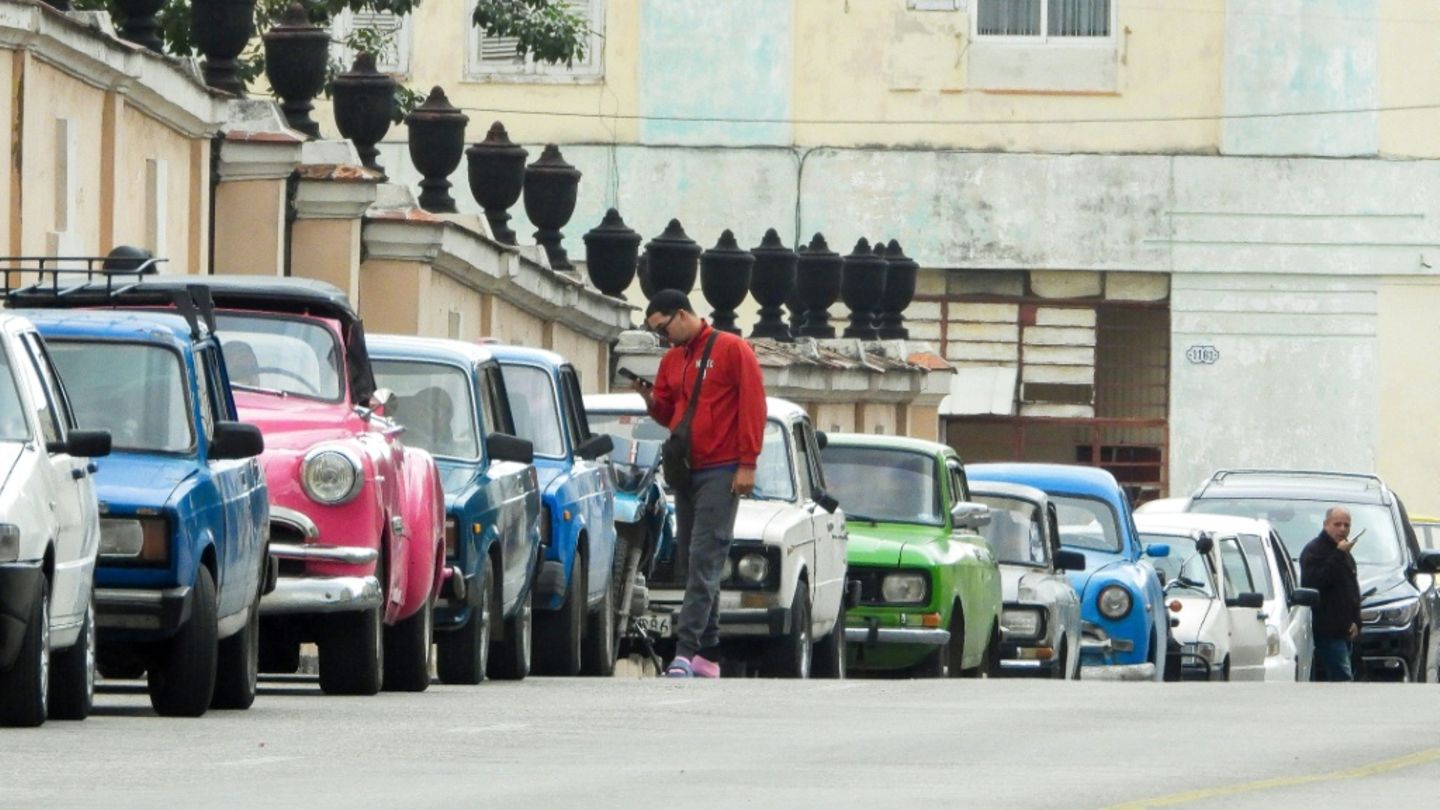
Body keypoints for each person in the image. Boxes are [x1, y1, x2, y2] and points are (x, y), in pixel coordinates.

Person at [635, 289, 766, 679]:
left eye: (663, 329)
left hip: (723, 468)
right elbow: (672, 413)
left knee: (705, 558)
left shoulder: (732, 349)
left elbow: (752, 405)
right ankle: (709, 654)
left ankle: (685, 650)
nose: (664, 339)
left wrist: (748, 462)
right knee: (692, 558)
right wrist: (650, 402)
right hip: (686, 470)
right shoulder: (673, 360)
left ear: (680, 314)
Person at [1299, 506, 1362, 682]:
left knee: (1346, 674)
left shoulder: (1345, 555)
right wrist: (1339, 554)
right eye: (1337, 524)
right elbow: (1315, 583)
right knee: (1342, 677)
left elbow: (1351, 591)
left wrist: (1356, 620)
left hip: (1345, 630)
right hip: (1327, 630)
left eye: (1346, 525)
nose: (1342, 529)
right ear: (1326, 525)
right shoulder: (1314, 550)